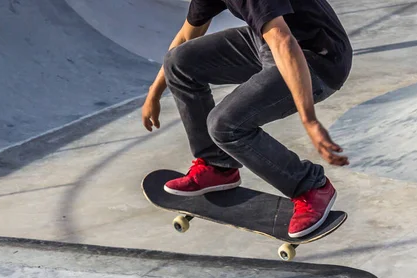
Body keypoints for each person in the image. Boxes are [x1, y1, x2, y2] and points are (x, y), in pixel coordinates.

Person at [141, 0, 352, 238]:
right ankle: (217, 167)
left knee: (225, 125)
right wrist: (154, 92)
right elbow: (186, 36)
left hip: (317, 59)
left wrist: (309, 119)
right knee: (178, 62)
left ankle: (311, 186)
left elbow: (284, 42)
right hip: (265, 43)